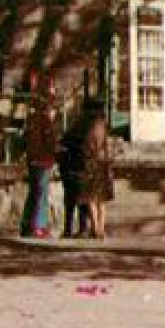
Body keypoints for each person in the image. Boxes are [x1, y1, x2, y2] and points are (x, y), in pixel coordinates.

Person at [20, 72, 58, 239]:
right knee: (41, 193)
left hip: (33, 157)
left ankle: (27, 224)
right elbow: (49, 138)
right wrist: (57, 148)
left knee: (34, 192)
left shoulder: (32, 114)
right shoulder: (45, 116)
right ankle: (38, 226)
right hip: (43, 158)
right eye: (52, 89)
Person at [79, 101, 114, 239]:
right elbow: (108, 149)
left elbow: (85, 149)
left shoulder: (87, 129)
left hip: (90, 164)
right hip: (103, 164)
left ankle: (95, 227)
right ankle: (101, 227)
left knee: (92, 199)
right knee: (102, 200)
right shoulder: (104, 128)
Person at [58, 110, 88, 238]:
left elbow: (61, 155)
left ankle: (67, 229)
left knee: (69, 204)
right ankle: (82, 229)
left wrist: (63, 170)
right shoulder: (85, 137)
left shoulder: (67, 137)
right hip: (81, 172)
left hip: (70, 173)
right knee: (82, 204)